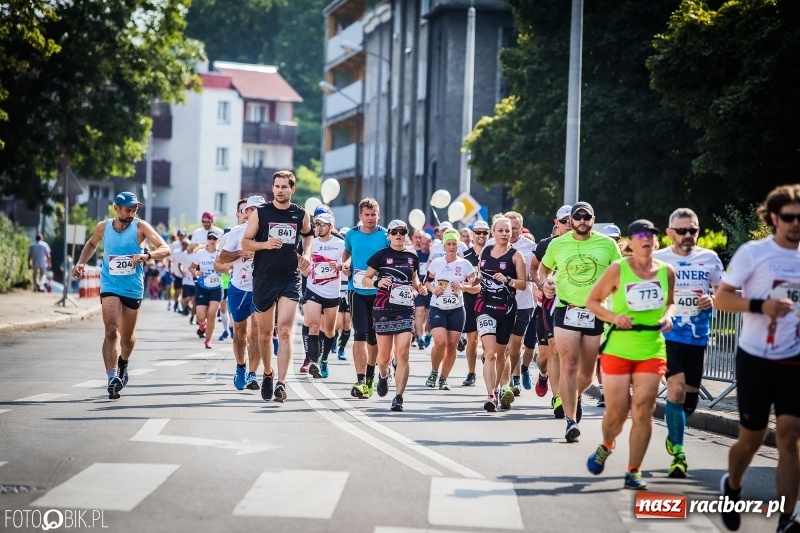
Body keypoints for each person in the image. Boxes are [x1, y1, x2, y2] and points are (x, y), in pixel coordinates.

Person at [714, 184, 800, 533]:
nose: (796, 224)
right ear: (775, 218)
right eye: (790, 218)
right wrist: (759, 306)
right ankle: (732, 486)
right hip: (757, 358)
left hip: (795, 359)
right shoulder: (754, 253)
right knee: (752, 437)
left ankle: (786, 520)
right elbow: (721, 299)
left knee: (790, 435)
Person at [585, 219, 675, 490]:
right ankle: (607, 444)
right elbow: (592, 302)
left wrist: (669, 317)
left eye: (650, 235)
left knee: (644, 408)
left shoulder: (667, 271)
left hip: (651, 347)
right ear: (630, 241)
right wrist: (614, 317)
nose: (646, 239)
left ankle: (634, 470)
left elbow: (671, 303)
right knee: (617, 411)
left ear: (655, 241)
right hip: (619, 347)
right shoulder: (618, 269)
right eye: (640, 235)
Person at [71, 192, 170, 399]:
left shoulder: (141, 227)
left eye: (134, 209)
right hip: (110, 284)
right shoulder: (103, 227)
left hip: (133, 288)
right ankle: (112, 376)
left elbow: (165, 248)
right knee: (111, 330)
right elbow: (91, 244)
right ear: (116, 208)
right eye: (128, 210)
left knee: (127, 337)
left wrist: (146, 255)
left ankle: (123, 362)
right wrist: (81, 262)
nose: (132, 213)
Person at [539, 201, 622, 441]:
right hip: (566, 308)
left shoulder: (607, 245)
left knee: (587, 371)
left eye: (587, 217)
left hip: (596, 311)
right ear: (571, 220)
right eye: (578, 217)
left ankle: (574, 396)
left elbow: (620, 273)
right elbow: (543, 269)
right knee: (569, 364)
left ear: (593, 219)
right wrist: (546, 283)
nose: (582, 221)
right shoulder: (558, 244)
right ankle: (570, 420)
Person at [654, 208, 723, 478]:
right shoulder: (658, 259)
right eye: (681, 231)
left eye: (692, 230)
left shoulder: (710, 258)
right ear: (670, 233)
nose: (687, 235)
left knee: (691, 399)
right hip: (667, 335)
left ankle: (674, 432)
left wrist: (713, 301)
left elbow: (723, 292)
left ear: (698, 231)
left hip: (697, 336)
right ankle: (679, 453)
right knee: (676, 388)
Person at [242, 171, 313, 403]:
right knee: (264, 335)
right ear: (272, 189)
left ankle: (282, 383)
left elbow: (308, 234)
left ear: (292, 189)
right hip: (263, 278)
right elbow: (246, 242)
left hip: (290, 278)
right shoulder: (261, 213)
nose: (280, 190)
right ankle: (268, 373)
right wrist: (264, 244)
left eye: (284, 186)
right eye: (276, 186)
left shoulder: (300, 214)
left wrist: (307, 255)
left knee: (284, 331)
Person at [363, 220, 427, 411]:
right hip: (383, 308)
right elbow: (366, 279)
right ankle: (383, 375)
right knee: (383, 357)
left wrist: (419, 287)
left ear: (406, 234)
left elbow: (414, 278)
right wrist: (377, 283)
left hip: (405, 309)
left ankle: (398, 397)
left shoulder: (411, 255)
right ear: (389, 235)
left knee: (403, 353)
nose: (398, 235)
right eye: (394, 232)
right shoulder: (381, 255)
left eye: (402, 231)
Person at [476, 216, 527, 411]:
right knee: (489, 353)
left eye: (508, 230)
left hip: (506, 309)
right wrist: (472, 280)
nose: (506, 234)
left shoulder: (516, 256)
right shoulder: (486, 252)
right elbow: (481, 277)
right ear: (493, 233)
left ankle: (499, 388)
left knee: (501, 353)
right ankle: (490, 396)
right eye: (501, 230)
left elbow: (523, 284)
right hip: (485, 307)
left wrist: (508, 280)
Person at [341, 198, 389, 399]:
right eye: (366, 215)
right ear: (360, 216)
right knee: (359, 333)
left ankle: (372, 374)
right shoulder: (352, 234)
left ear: (378, 215)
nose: (370, 218)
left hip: (378, 293)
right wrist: (345, 264)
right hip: (356, 290)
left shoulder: (385, 235)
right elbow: (347, 253)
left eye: (373, 215)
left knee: (374, 336)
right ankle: (361, 380)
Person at [216, 196, 263, 391]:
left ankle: (253, 374)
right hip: (238, 288)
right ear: (246, 212)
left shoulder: (268, 232)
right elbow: (222, 258)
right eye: (250, 209)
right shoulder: (236, 232)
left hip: (261, 288)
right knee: (240, 332)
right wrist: (241, 253)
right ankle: (241, 367)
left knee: (257, 332)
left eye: (258, 209)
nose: (253, 213)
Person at [530, 207, 572, 417]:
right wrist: (539, 285)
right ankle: (544, 376)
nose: (569, 223)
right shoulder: (547, 244)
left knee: (561, 351)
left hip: (572, 303)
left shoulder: (585, 244)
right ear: (557, 222)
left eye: (572, 219)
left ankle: (559, 397)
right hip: (548, 302)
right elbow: (535, 268)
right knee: (547, 354)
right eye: (564, 220)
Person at [424, 230, 477, 390]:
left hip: (457, 309)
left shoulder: (465, 264)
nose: (452, 247)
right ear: (444, 246)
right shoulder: (436, 263)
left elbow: (476, 287)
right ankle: (434, 372)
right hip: (438, 307)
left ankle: (443, 378)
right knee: (440, 342)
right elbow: (427, 282)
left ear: (458, 245)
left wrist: (463, 286)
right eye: (449, 244)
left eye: (454, 244)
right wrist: (434, 290)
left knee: (452, 345)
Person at [299, 211, 344, 379]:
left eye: (322, 224)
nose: (318, 227)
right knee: (314, 326)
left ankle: (324, 359)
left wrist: (339, 267)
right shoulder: (311, 243)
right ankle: (313, 361)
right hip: (313, 289)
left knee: (330, 331)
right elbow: (301, 260)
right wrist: (302, 268)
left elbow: (348, 264)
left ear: (330, 227)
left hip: (332, 292)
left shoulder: (340, 244)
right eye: (316, 224)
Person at [461, 220, 489, 386]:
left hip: (488, 299)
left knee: (487, 340)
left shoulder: (493, 253)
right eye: (478, 232)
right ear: (472, 234)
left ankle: (488, 367)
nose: (481, 236)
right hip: (470, 300)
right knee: (472, 339)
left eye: (484, 232)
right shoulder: (465, 255)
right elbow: (462, 279)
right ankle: (471, 373)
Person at [189, 228, 223, 349]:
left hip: (216, 287)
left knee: (212, 314)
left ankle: (208, 340)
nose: (212, 240)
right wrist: (197, 273)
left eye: (214, 238)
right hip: (202, 287)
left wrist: (224, 269)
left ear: (217, 240)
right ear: (207, 240)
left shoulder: (221, 253)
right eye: (210, 238)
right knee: (200, 317)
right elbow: (191, 268)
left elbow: (227, 266)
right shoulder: (200, 253)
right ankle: (202, 325)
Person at [414, 232, 433, 351]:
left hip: (431, 288)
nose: (424, 246)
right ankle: (420, 338)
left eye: (427, 244)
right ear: (420, 242)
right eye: (423, 243)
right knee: (419, 312)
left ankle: (429, 334)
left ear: (430, 243)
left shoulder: (433, 255)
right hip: (419, 287)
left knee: (430, 315)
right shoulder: (416, 255)